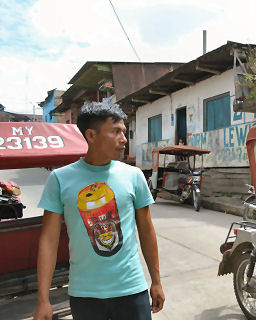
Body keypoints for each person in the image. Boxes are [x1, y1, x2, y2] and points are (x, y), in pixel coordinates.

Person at [34, 102, 165, 320]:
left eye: (124, 131)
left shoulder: (133, 176)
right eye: (115, 131)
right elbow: (49, 240)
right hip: (85, 295)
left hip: (131, 290)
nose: (124, 139)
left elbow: (146, 230)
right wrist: (43, 299)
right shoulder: (60, 179)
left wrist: (156, 281)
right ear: (92, 135)